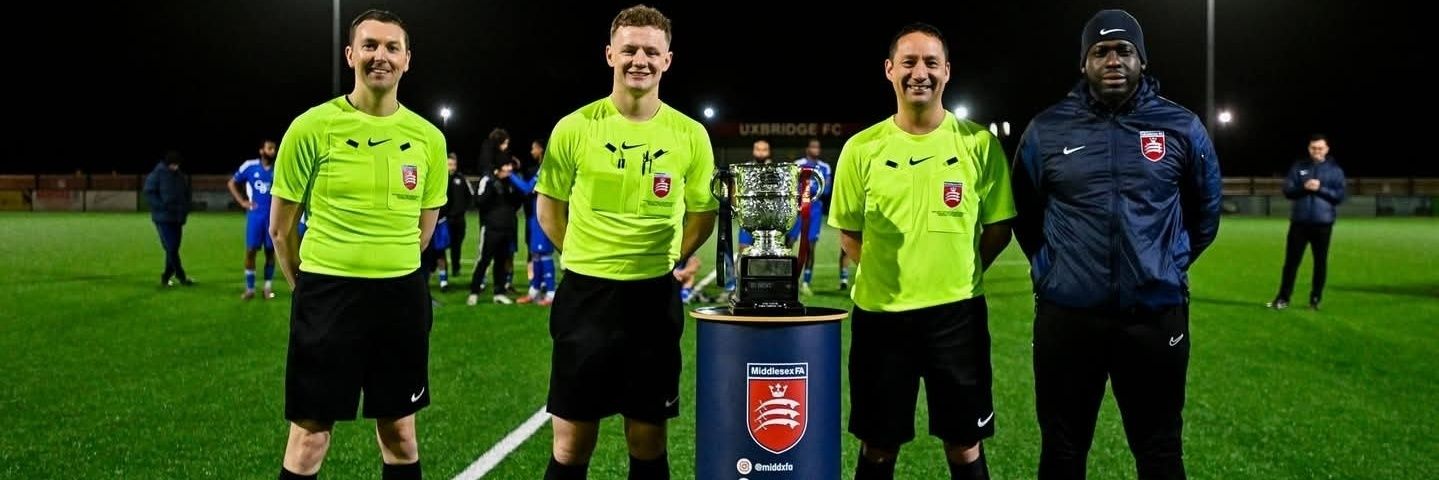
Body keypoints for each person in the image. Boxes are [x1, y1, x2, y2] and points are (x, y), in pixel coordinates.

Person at [1010, 10, 1222, 479]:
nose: (1112, 60)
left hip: (1153, 317)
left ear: (1141, 61)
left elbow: (1205, 214)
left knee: (1161, 452)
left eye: (1124, 50)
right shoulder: (1046, 130)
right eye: (1100, 51)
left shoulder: (1181, 127)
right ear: (1082, 63)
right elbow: (1026, 214)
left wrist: (1168, 262)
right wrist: (1053, 269)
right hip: (1069, 319)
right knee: (1063, 452)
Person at [534, 5, 717, 479]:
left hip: (652, 297)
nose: (640, 60)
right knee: (573, 441)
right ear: (610, 54)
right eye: (630, 49)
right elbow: (548, 207)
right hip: (585, 296)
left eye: (651, 51)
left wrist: (674, 256)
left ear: (668, 60)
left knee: (648, 438)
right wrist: (578, 253)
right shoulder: (574, 127)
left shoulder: (690, 135)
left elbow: (704, 211)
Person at [827, 23, 1015, 480]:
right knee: (878, 444)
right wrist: (883, 278)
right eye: (908, 62)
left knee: (964, 443)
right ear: (890, 70)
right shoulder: (861, 149)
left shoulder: (979, 145)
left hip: (957, 317)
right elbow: (849, 232)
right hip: (881, 318)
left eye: (931, 62)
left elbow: (999, 228)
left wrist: (959, 273)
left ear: (947, 72)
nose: (920, 72)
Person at [267, 9, 447, 480]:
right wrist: (307, 289)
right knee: (309, 438)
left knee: (401, 435)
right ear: (351, 55)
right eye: (369, 46)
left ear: (407, 59)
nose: (380, 56)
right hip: (328, 295)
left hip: (401, 297)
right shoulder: (311, 127)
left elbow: (424, 230)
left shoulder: (428, 138)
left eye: (391, 47)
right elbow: (281, 230)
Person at [1268, 134, 1346, 310]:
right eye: (1313, 148)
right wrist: (1304, 187)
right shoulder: (1299, 167)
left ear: (1327, 149)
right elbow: (1288, 190)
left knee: (1320, 262)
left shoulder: (1335, 170)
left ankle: (1315, 299)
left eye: (1320, 148)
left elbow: (1339, 196)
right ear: (1309, 148)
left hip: (1323, 223)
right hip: (1299, 222)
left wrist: (1320, 188)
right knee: (1291, 262)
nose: (1316, 151)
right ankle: (1283, 298)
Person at [467, 158, 525, 305]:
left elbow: (517, 202)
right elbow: (479, 201)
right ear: (498, 169)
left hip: (507, 228)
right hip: (491, 228)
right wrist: (492, 188)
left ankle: (498, 293)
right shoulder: (489, 181)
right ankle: (474, 292)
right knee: (484, 260)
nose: (509, 169)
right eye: (506, 166)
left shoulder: (511, 183)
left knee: (502, 261)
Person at [228, 139, 279, 300]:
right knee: (251, 251)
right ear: (261, 150)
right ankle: (250, 289)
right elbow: (232, 183)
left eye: (274, 149)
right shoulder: (250, 166)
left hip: (272, 216)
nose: (272, 151)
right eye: (269, 148)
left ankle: (267, 288)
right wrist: (243, 201)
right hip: (255, 215)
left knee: (270, 252)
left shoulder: (279, 169)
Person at [509, 139, 558, 305]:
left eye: (533, 148)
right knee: (536, 254)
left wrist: (509, 175)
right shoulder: (540, 168)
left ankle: (551, 293)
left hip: (544, 216)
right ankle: (534, 291)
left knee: (544, 254)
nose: (532, 151)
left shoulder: (546, 168)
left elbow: (527, 188)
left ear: (541, 149)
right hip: (534, 216)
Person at [143, 150, 194, 287]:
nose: (176, 167)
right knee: (171, 248)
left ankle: (166, 277)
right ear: (168, 164)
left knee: (173, 249)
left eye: (177, 165)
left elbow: (186, 194)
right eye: (174, 165)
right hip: (163, 218)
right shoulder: (157, 174)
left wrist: (185, 209)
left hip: (177, 218)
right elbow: (149, 192)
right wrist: (160, 206)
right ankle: (181, 276)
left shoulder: (179, 176)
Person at [790, 137, 833, 296]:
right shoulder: (798, 163)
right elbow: (792, 184)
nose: (816, 149)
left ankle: (806, 282)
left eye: (818, 147)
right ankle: (787, 280)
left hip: (814, 208)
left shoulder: (825, 167)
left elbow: (827, 189)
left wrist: (812, 191)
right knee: (789, 242)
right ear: (807, 149)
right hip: (798, 208)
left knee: (810, 246)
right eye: (813, 146)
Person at [442, 152, 473, 289]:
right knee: (441, 247)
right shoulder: (441, 179)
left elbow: (470, 196)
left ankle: (455, 268)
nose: (452, 167)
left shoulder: (461, 179)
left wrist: (464, 209)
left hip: (459, 219)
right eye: (449, 164)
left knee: (457, 245)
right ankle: (441, 272)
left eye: (453, 164)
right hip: (445, 219)